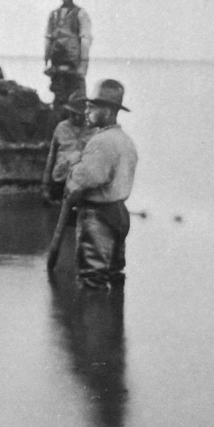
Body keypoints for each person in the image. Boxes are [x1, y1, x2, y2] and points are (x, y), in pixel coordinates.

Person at [66, 80, 138, 292]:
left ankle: (92, 323)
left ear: (106, 112)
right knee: (115, 274)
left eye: (91, 107)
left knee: (92, 278)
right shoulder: (125, 140)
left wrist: (74, 164)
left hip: (99, 216)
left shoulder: (102, 142)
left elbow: (89, 178)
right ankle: (113, 322)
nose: (86, 111)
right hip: (119, 214)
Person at [44, 0, 93, 113]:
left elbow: (85, 40)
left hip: (73, 68)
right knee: (58, 100)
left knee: (77, 101)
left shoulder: (81, 14)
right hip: (57, 67)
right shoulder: (54, 15)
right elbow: (48, 38)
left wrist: (83, 66)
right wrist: (46, 60)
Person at [42, 90, 92, 203]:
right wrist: (45, 187)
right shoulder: (61, 127)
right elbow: (51, 157)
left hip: (81, 186)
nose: (77, 118)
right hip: (59, 182)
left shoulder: (94, 131)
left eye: (81, 115)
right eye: (73, 114)